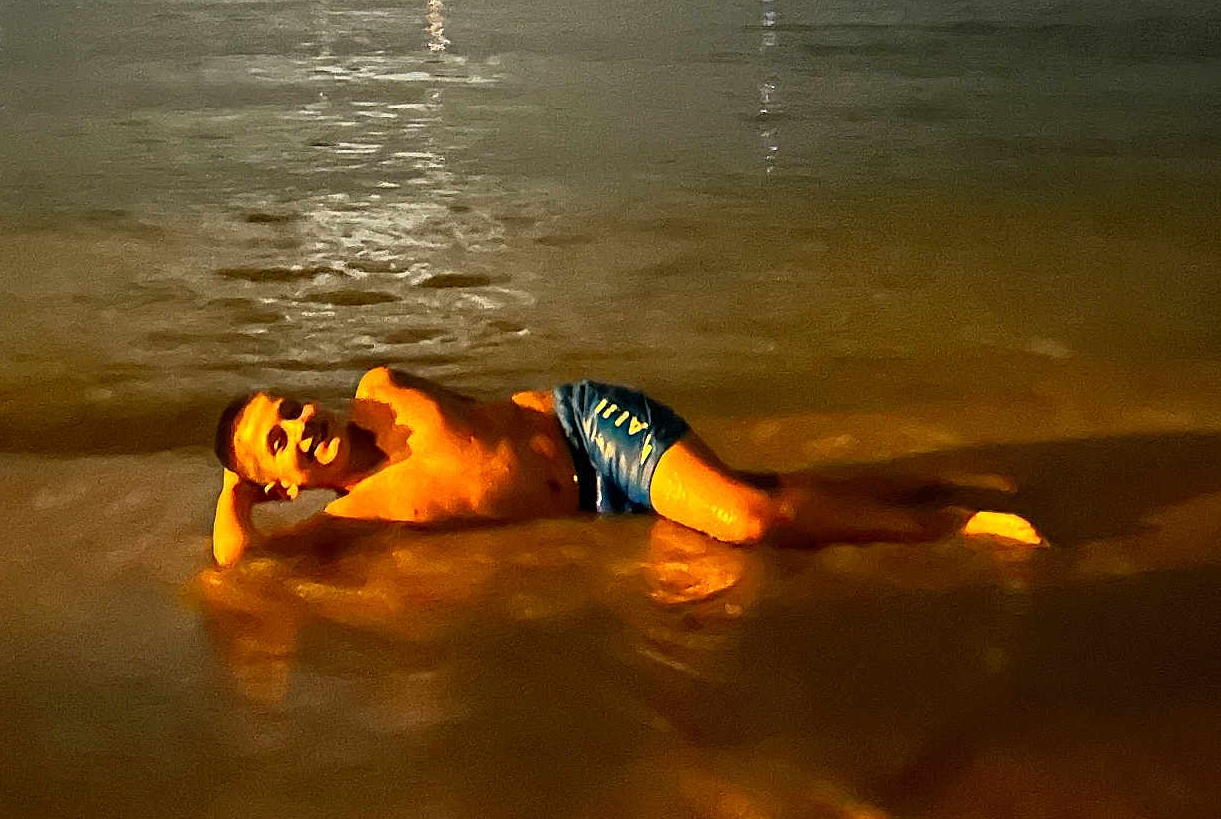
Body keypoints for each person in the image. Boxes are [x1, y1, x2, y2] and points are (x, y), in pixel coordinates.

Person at [211, 367, 1042, 566]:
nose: (297, 425)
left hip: (590, 431)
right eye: (276, 444)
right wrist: (232, 491)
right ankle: (908, 490)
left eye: (286, 408)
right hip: (594, 506)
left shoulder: (379, 391)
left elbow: (499, 415)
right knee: (754, 496)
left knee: (743, 521)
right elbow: (238, 566)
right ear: (279, 485)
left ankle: (945, 525)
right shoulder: (355, 518)